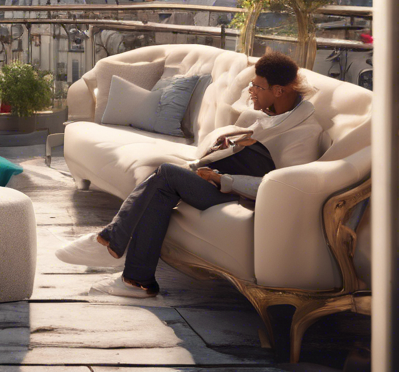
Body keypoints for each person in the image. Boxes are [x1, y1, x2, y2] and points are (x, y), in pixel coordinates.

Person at [55, 51, 322, 297]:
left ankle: (110, 243)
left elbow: (284, 188)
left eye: (256, 86)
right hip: (219, 181)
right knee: (160, 189)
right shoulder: (269, 115)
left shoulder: (303, 133)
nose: (250, 91)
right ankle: (136, 281)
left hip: (243, 198)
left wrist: (223, 179)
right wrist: (223, 150)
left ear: (278, 90)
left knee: (166, 174)